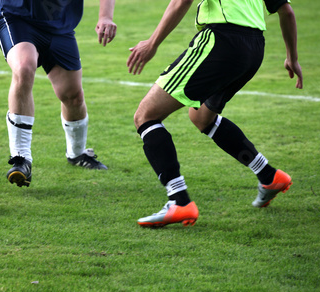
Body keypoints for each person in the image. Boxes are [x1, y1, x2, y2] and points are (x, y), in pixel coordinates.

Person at [126, 0, 303, 227]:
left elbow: (181, 1)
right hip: (254, 48)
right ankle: (269, 176)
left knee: (146, 116)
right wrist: (292, 58)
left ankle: (179, 202)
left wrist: (152, 43)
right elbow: (286, 12)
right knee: (201, 117)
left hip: (220, 42)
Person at [0, 0, 117, 187]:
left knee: (73, 96)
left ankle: (76, 154)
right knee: (24, 67)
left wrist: (105, 16)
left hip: (60, 25)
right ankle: (21, 158)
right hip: (18, 18)